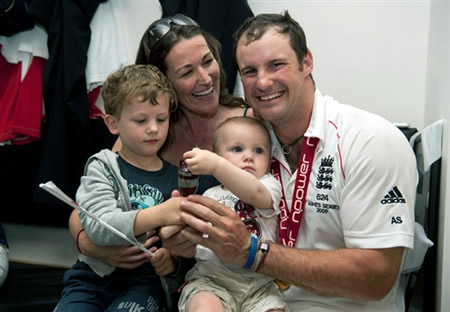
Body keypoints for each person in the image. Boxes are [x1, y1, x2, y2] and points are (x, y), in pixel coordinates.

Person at [163, 11, 417, 312]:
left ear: (306, 62)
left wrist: (253, 252)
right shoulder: (251, 139)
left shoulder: (370, 141)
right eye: (250, 71)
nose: (263, 82)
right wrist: (184, 243)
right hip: (252, 299)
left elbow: (377, 276)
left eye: (276, 65)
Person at [70, 14, 251, 266]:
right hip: (164, 281)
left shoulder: (249, 124)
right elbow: (83, 212)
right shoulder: (147, 134)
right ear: (163, 84)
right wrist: (89, 244)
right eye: (187, 72)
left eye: (207, 61)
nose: (206, 78)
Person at [54, 64, 184, 311]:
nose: (154, 128)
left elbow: (180, 250)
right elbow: (99, 226)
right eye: (141, 120)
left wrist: (172, 262)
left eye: (161, 119)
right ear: (113, 124)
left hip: (144, 285)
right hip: (91, 279)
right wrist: (161, 212)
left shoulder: (176, 179)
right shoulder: (101, 167)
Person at [179, 116, 287, 312]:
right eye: (237, 149)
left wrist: (217, 166)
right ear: (216, 154)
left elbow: (255, 193)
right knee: (203, 306)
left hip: (259, 284)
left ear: (270, 159)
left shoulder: (268, 185)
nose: (249, 156)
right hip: (212, 278)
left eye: (259, 150)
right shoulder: (210, 195)